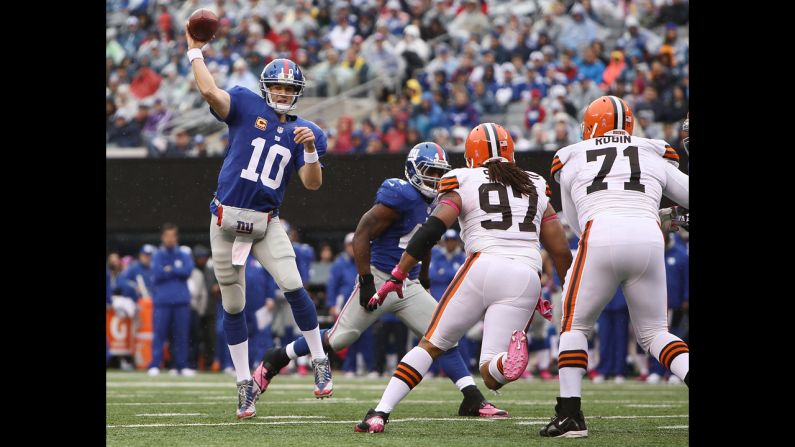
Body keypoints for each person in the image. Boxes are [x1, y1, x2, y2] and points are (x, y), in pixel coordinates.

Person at [255, 142, 507, 419]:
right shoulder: (400, 194)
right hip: (379, 277)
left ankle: (472, 398)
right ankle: (278, 357)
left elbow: (425, 241)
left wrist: (422, 276)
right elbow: (362, 233)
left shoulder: (438, 200)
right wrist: (365, 280)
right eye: (429, 172)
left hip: (406, 284)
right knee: (340, 339)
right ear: (413, 170)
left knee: (443, 335)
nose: (434, 180)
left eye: (438, 173)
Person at [355, 124, 573, 433]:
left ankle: (379, 413)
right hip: (526, 274)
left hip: (482, 266)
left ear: (471, 155)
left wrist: (400, 272)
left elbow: (432, 229)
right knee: (490, 373)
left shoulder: (465, 179)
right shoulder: (536, 185)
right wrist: (569, 288)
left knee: (431, 344)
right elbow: (560, 249)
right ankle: (506, 361)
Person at [185, 25, 329, 420]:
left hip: (266, 223)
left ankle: (319, 360)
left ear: (297, 92)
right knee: (234, 304)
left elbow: (312, 184)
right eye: (277, 87)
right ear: (266, 87)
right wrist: (195, 53)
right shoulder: (247, 106)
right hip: (225, 220)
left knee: (294, 284)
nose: (282, 93)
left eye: (288, 88)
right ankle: (245, 383)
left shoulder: (308, 131)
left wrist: (312, 150)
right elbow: (210, 92)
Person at [539, 96, 689, 438]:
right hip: (650, 237)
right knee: (655, 334)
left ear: (590, 127)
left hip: (601, 232)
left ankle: (570, 416)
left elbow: (576, 223)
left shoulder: (571, 155)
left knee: (574, 327)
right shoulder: (653, 149)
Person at [149, 223, 196, 377]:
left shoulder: (183, 254)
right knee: (159, 334)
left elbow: (188, 270)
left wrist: (170, 270)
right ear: (163, 237)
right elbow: (157, 273)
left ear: (176, 237)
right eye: (167, 236)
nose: (169, 239)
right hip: (162, 301)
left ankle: (180, 366)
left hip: (181, 301)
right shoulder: (157, 254)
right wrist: (177, 271)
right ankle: (155, 364)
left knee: (181, 335)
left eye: (172, 236)